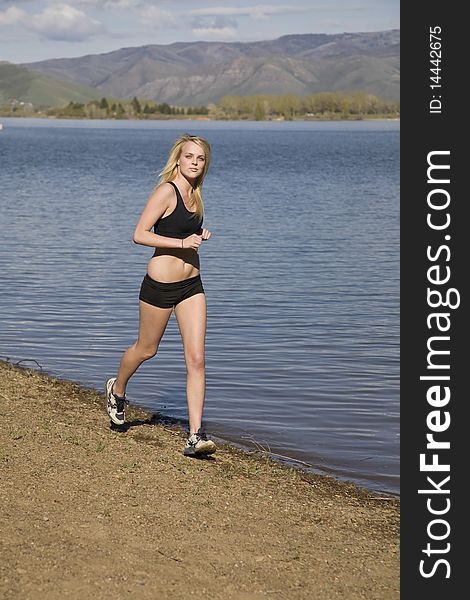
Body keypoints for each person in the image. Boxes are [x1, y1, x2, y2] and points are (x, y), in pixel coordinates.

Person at [105, 133, 216, 457]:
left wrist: (197, 235)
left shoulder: (196, 194)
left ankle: (195, 435)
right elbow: (139, 234)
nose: (194, 162)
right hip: (160, 286)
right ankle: (118, 390)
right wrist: (182, 244)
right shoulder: (166, 191)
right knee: (146, 349)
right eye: (189, 157)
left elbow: (181, 231)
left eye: (200, 158)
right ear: (178, 160)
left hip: (192, 286)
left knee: (196, 359)